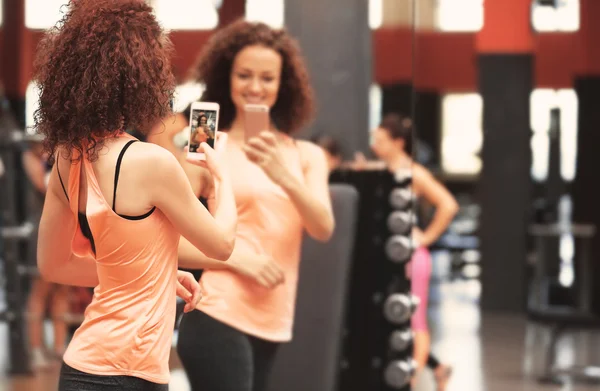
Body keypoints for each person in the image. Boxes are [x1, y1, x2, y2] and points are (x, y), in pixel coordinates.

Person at [32, 1, 237, 389]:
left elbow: (54, 266)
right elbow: (222, 244)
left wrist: (150, 276)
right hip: (131, 374)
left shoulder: (66, 157)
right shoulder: (150, 162)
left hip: (80, 368)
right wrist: (223, 176)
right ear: (140, 73)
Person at [175, 20, 335, 391]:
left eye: (268, 78)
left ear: (284, 85)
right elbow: (168, 240)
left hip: (273, 320)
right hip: (217, 312)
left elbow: (322, 228)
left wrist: (283, 174)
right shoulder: (207, 147)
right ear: (227, 77)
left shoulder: (306, 155)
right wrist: (236, 259)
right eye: (245, 75)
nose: (255, 87)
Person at [370, 113, 457, 391]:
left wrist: (427, 237)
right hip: (390, 256)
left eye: (381, 140)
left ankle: (413, 381)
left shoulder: (415, 172)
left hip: (413, 257)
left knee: (415, 320)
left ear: (398, 142)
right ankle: (433, 370)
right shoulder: (381, 170)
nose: (375, 145)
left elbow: (448, 205)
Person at [21, 139, 70, 370]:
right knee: (40, 291)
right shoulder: (30, 158)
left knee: (62, 289)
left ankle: (59, 347)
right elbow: (45, 186)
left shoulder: (59, 156)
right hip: (40, 229)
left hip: (63, 228)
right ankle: (36, 348)